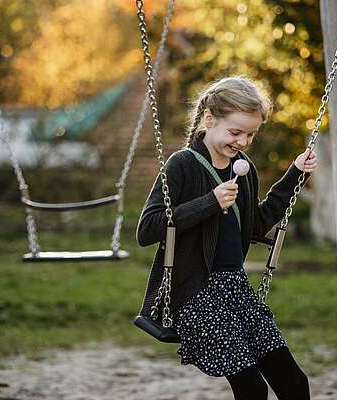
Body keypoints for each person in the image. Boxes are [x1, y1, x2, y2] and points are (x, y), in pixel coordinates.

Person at [136, 76, 317, 400]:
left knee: (294, 383)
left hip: (235, 288)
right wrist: (210, 202)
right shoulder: (182, 165)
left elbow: (255, 225)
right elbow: (147, 229)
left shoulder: (243, 167)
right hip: (193, 294)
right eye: (236, 132)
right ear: (209, 120)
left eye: (251, 134)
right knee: (252, 388)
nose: (244, 141)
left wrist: (295, 174)